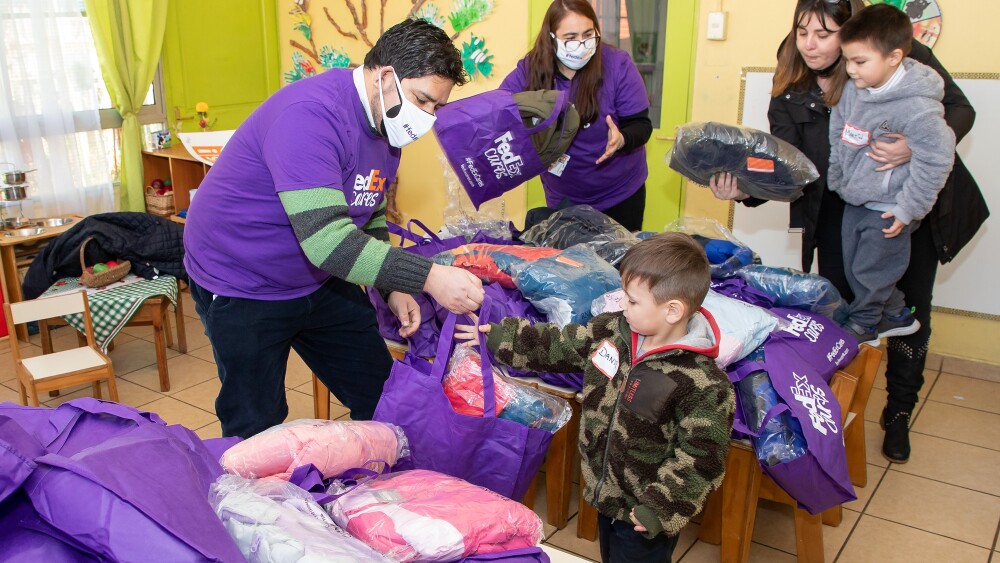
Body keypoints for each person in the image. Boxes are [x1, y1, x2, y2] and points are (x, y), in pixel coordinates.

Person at [709, 0, 987, 463]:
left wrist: (912, 147)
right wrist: (741, 190)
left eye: (824, 33)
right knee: (843, 314)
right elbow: (789, 167)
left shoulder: (891, 50)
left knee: (907, 312)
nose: (811, 44)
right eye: (802, 32)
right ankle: (836, 411)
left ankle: (898, 412)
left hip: (909, 206)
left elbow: (960, 111)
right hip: (839, 213)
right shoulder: (792, 85)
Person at [183, 19, 485, 439]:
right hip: (242, 278)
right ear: (384, 77)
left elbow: (368, 210)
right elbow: (328, 241)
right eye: (422, 101)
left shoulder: (387, 123)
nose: (427, 118)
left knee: (380, 393)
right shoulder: (309, 117)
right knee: (256, 420)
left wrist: (392, 289)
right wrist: (428, 278)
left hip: (317, 277)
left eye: (436, 107)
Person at [457, 232, 734, 563]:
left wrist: (660, 509)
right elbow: (561, 344)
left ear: (673, 311)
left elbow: (702, 458)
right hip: (604, 494)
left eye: (632, 301)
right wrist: (501, 338)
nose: (623, 305)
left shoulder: (703, 384)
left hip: (645, 513)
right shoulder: (613, 332)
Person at [828, 3, 954, 347]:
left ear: (894, 57)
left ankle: (866, 323)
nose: (851, 70)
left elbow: (936, 160)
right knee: (855, 266)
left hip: (890, 204)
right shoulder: (856, 88)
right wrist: (838, 177)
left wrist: (908, 208)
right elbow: (840, 131)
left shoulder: (917, 106)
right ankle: (896, 312)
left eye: (860, 62)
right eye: (847, 60)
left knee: (872, 269)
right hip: (856, 195)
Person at [499, 0, 653, 232]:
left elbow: (641, 125)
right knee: (571, 265)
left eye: (588, 34)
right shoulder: (531, 69)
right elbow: (499, 111)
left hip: (621, 193)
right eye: (570, 38)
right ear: (551, 37)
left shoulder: (617, 64)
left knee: (619, 264)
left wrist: (622, 139)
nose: (581, 45)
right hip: (564, 197)